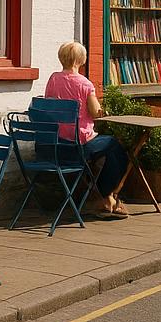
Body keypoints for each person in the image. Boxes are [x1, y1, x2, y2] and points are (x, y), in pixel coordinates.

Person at [44, 40, 129, 219]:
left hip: (55, 145)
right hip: (79, 145)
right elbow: (95, 113)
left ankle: (104, 198)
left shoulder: (53, 79)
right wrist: (102, 111)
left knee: (107, 151)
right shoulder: (84, 84)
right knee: (115, 146)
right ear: (80, 60)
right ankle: (107, 196)